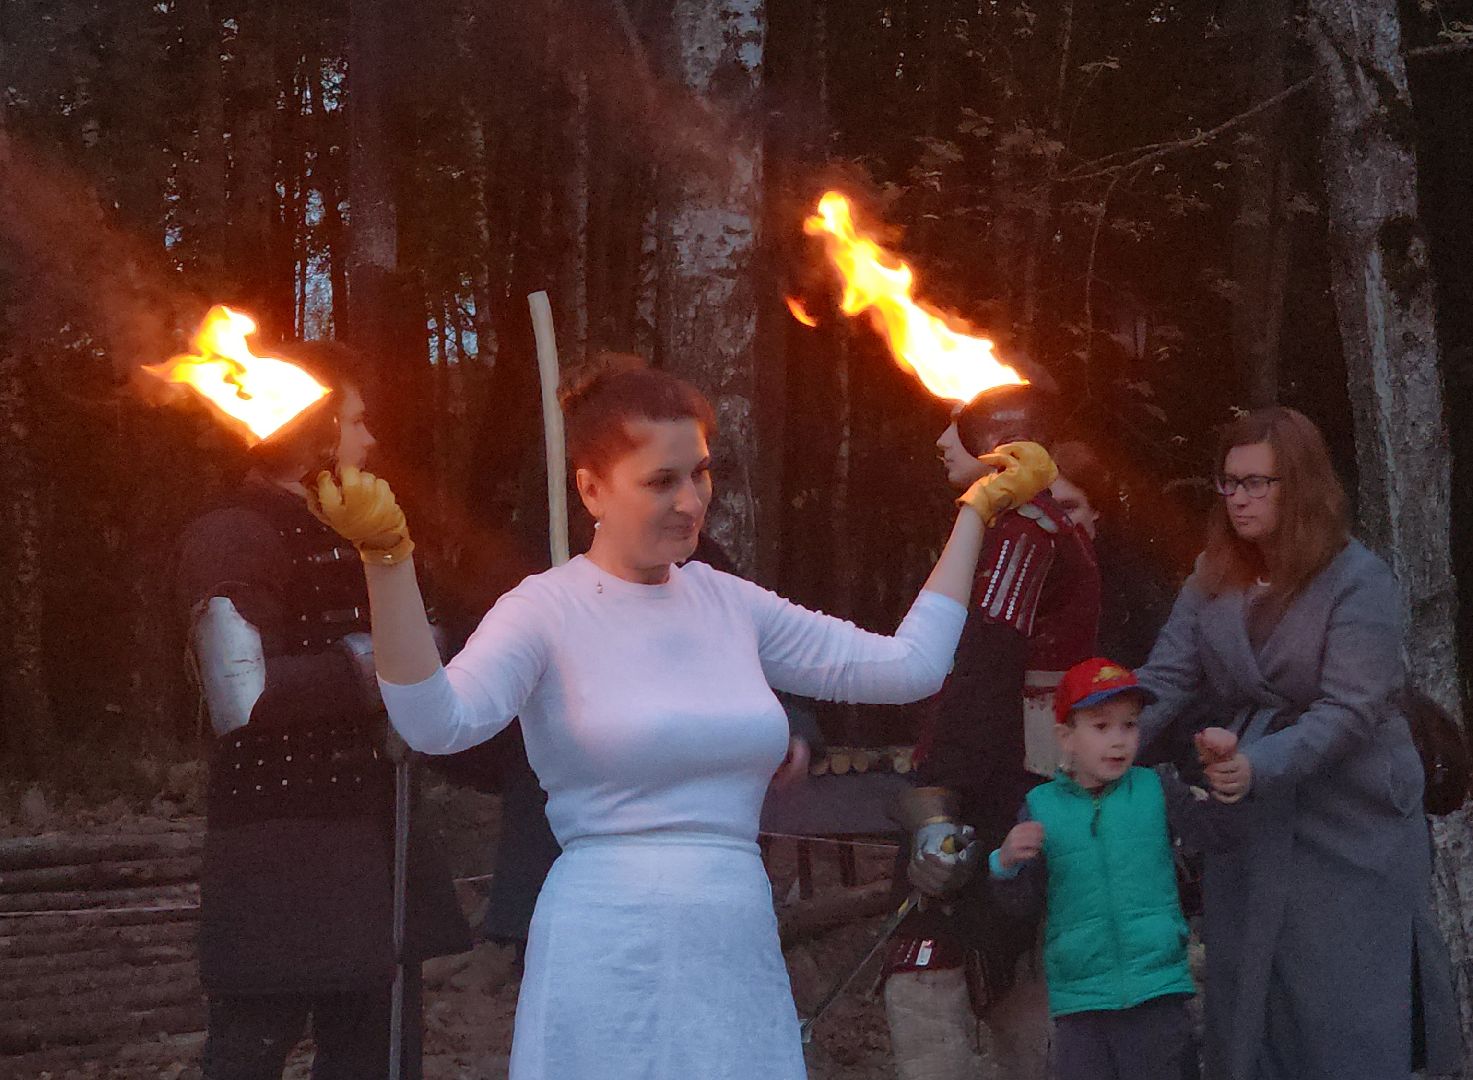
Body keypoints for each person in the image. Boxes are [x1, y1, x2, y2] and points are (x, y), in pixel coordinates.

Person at [305, 367, 1057, 1080]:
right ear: (592, 489)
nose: (690, 500)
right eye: (660, 481)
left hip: (731, 936)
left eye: (699, 472)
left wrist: (974, 515)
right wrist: (387, 561)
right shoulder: (543, 608)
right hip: (602, 941)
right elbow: (435, 722)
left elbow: (911, 667)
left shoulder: (732, 603)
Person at [1134, 405, 1460, 1080]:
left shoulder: (1357, 578)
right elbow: (1163, 677)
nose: (1239, 498)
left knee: (1344, 1004)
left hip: (1350, 815)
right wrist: (1098, 739)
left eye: (1259, 482)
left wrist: (1258, 763)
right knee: (1252, 987)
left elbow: (1349, 710)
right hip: (1250, 813)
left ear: (1301, 486)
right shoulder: (1210, 574)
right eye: (1229, 482)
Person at [176, 341, 470, 1080]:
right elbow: (238, 690)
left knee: (376, 1051)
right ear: (310, 429)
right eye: (355, 421)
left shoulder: (351, 523)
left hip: (372, 823)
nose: (369, 439)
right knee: (251, 1050)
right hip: (282, 838)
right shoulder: (234, 531)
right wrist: (375, 666)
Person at [883, 384, 1101, 1080]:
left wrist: (936, 795)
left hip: (1000, 786)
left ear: (1000, 447)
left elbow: (985, 666)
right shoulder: (1016, 525)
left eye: (961, 429)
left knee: (937, 965)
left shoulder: (1023, 531)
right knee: (995, 964)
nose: (944, 442)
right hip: (1006, 778)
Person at [988, 657, 1219, 1080]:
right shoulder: (1041, 807)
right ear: (1066, 738)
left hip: (1158, 989)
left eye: (1129, 725)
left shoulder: (1156, 789)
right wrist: (1003, 864)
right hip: (1081, 1001)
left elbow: (1216, 840)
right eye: (1100, 726)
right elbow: (1019, 907)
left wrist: (1217, 773)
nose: (1119, 741)